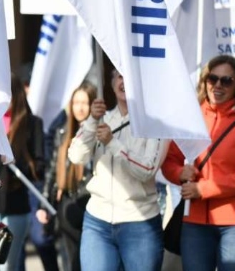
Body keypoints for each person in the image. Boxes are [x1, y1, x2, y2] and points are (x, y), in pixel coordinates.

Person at [68, 70, 166, 271]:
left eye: (130, 76)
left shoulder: (156, 123)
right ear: (112, 83)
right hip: (97, 221)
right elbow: (76, 156)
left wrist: (113, 143)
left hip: (140, 223)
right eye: (120, 76)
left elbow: (147, 169)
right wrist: (91, 122)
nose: (124, 81)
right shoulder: (103, 119)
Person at [161, 55, 235, 271]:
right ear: (204, 81)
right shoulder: (191, 118)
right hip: (194, 222)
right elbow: (169, 161)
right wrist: (180, 173)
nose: (218, 85)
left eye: (226, 80)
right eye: (212, 78)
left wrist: (202, 189)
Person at [37, 81, 97, 271]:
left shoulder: (99, 131)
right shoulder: (63, 130)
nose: (79, 107)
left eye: (84, 102)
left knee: (90, 258)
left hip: (91, 202)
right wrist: (44, 202)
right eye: (75, 102)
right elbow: (52, 169)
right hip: (67, 201)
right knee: (70, 259)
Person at [0, 73, 44, 271]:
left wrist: (19, 163)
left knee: (7, 265)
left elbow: (40, 167)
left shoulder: (32, 124)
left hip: (14, 204)